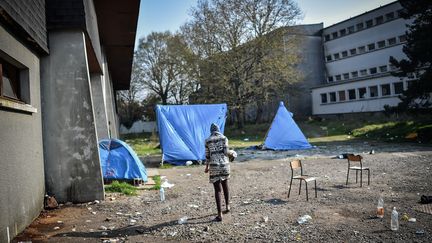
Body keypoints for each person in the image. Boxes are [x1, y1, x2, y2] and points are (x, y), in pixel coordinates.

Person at [204, 123, 232, 222]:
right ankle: (228, 206)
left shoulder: (207, 141)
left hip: (214, 166)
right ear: (218, 129)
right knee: (225, 185)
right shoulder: (224, 138)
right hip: (225, 165)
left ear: (211, 131)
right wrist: (232, 154)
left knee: (217, 190)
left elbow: (207, 156)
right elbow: (226, 152)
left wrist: (207, 167)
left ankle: (219, 214)